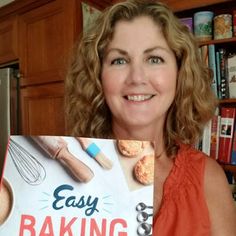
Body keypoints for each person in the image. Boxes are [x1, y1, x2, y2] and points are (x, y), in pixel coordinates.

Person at [65, 0, 236, 235]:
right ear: (98, 77)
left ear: (180, 72)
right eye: (119, 60)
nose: (137, 77)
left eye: (154, 59)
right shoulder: (62, 174)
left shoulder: (209, 179)